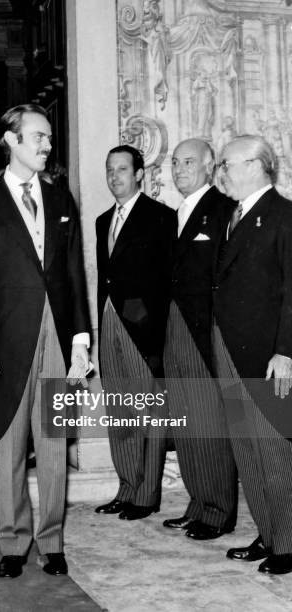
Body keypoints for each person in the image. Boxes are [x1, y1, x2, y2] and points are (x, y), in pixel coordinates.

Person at [0, 104, 91, 578]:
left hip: (57, 332)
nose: (46, 145)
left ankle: (51, 542)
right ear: (10, 140)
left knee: (53, 439)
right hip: (6, 338)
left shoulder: (61, 200)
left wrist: (80, 339)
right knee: (10, 441)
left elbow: (73, 273)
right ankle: (13, 543)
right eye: (37, 137)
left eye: (49, 138)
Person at [214, 134, 292, 575]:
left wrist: (286, 352)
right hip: (230, 348)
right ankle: (268, 531)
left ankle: (288, 543)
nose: (222, 171)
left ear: (256, 165)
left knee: (274, 450)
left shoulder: (283, 216)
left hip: (267, 355)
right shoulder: (234, 214)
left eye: (227, 163)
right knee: (248, 450)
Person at [94, 145, 176, 520]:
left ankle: (146, 495)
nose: (115, 176)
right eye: (110, 170)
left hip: (142, 329)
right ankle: (126, 487)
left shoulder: (161, 217)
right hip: (110, 322)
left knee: (148, 413)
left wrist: (155, 330)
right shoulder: (101, 221)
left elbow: (165, 282)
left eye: (123, 169)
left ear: (140, 174)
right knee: (120, 412)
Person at [162, 139, 237, 539]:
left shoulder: (223, 210)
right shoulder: (177, 213)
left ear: (210, 166)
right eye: (175, 162)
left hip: (202, 331)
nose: (179, 169)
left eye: (189, 161)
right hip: (175, 329)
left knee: (207, 422)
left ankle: (219, 510)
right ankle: (197, 502)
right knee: (186, 422)